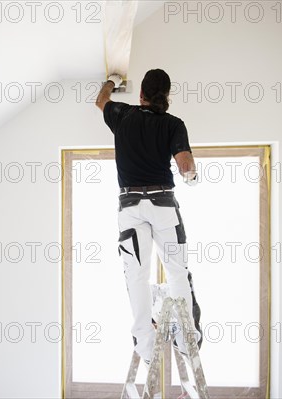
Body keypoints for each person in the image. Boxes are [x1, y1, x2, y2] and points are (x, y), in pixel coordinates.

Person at [95, 69, 202, 364]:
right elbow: (186, 166)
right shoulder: (173, 124)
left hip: (130, 207)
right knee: (177, 272)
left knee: (136, 275)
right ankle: (185, 338)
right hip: (162, 206)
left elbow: (100, 100)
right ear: (166, 96)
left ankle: (145, 343)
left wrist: (112, 81)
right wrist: (192, 177)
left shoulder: (122, 115)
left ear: (140, 93)